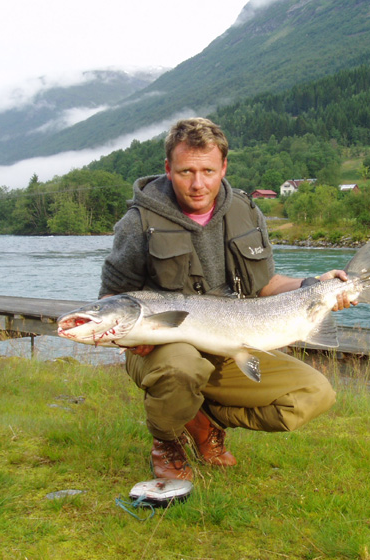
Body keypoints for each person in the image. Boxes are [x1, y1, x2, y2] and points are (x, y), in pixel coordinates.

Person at [99, 118, 357, 481]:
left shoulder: (246, 211)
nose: (198, 183)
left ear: (224, 167)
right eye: (186, 171)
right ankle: (168, 441)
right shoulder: (138, 222)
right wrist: (130, 334)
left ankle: (201, 418)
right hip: (165, 348)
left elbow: (266, 284)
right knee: (182, 369)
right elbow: (111, 296)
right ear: (168, 168)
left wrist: (314, 285)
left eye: (207, 170)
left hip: (232, 343)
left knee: (314, 394)